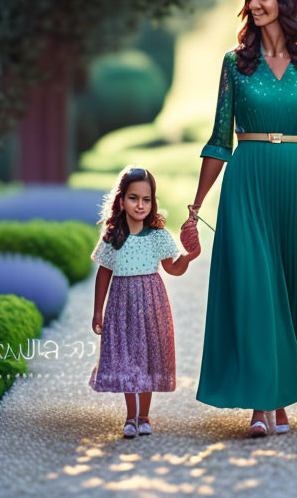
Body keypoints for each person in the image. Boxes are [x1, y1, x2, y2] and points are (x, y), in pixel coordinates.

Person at [180, 0, 297, 437]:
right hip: (247, 180)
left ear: (283, 2)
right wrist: (196, 205)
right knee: (255, 287)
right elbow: (218, 140)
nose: (254, 4)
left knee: (292, 289)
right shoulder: (235, 64)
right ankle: (260, 403)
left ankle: (281, 395)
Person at [90, 166, 199, 438]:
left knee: (149, 356)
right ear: (121, 200)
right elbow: (104, 274)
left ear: (153, 202)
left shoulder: (159, 236)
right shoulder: (113, 236)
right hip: (121, 304)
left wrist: (187, 257)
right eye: (133, 198)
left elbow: (172, 269)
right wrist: (97, 312)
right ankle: (130, 416)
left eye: (146, 199)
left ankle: (144, 415)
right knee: (126, 357)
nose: (140, 205)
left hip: (152, 302)